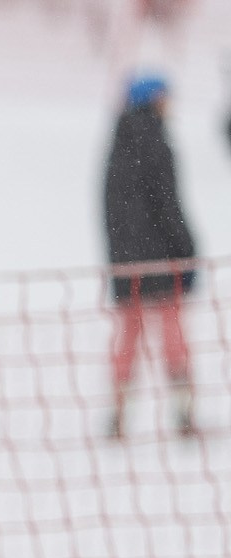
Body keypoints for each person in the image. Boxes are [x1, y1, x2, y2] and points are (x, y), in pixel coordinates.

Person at [104, 72, 200, 439]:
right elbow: (169, 206)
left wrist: (118, 258)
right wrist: (186, 251)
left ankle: (118, 413)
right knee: (173, 332)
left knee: (128, 334)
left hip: (127, 263)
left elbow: (110, 212)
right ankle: (184, 412)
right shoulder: (158, 143)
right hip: (163, 261)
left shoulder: (116, 144)